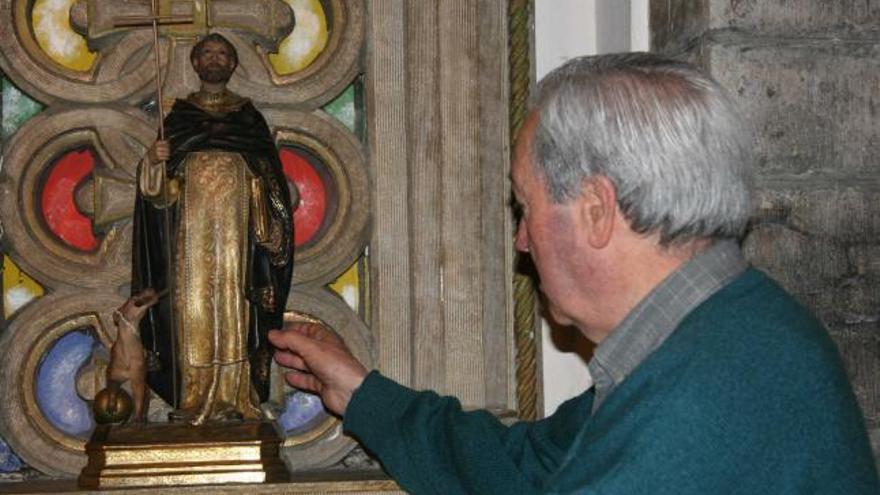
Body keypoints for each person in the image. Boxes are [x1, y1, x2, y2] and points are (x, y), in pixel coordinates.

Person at [268, 53, 879, 493]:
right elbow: (528, 466)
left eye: (526, 207)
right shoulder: (716, 331)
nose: (522, 239)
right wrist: (360, 393)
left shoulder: (704, 395)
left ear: (595, 210)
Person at [132, 33, 296, 426]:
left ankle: (236, 393)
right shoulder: (180, 116)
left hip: (237, 231)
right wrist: (154, 162)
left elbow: (269, 173)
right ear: (194, 62)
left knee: (233, 303)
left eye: (223, 53)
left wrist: (255, 187)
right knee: (193, 307)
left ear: (234, 64)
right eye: (207, 53)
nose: (215, 59)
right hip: (191, 232)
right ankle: (194, 395)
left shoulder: (248, 117)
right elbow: (157, 194)